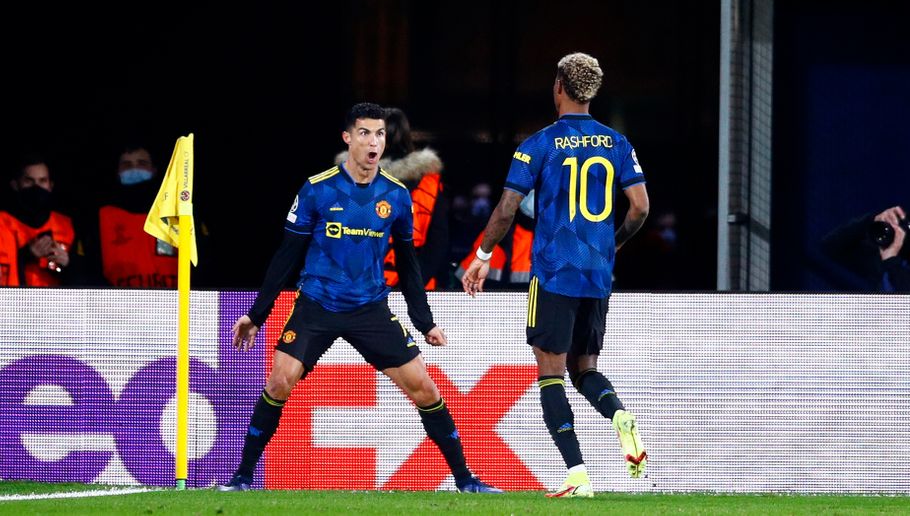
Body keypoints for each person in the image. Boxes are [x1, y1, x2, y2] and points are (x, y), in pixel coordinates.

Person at [219, 103, 501, 493]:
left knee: (425, 388)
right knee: (279, 382)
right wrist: (256, 315)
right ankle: (242, 477)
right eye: (365, 133)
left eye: (380, 134)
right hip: (317, 304)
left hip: (369, 308)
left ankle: (466, 480)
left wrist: (424, 321)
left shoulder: (396, 195)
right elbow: (286, 255)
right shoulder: (318, 189)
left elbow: (410, 265)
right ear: (348, 138)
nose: (373, 142)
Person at [461, 53, 650, 498]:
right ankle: (619, 415)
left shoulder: (539, 144)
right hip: (597, 274)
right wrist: (613, 244)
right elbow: (640, 208)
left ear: (559, 86)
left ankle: (577, 474)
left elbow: (507, 208)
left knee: (551, 374)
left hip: (553, 272)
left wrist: (483, 255)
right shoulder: (618, 143)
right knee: (585, 370)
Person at [337, 108, 449, 290]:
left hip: (359, 289)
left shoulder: (347, 180)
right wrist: (413, 285)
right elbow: (438, 244)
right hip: (417, 288)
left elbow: (336, 238)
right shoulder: (431, 184)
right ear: (406, 136)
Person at [76, 144, 180, 287]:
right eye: (127, 165)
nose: (134, 169)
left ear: (154, 170)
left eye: (142, 163)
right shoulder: (102, 217)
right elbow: (88, 269)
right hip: (118, 300)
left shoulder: (177, 212)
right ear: (117, 172)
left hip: (174, 300)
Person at [821, 200, 910, 292]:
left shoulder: (892, 262)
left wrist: (892, 263)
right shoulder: (888, 261)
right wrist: (872, 221)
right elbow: (830, 247)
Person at [0, 156, 74, 286]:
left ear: (50, 185)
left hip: (55, 298)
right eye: (29, 181)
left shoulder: (66, 224)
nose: (36, 187)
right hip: (11, 298)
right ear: (15, 185)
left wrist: (68, 265)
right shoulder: (2, 223)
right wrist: (25, 255)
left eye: (42, 181)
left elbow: (86, 276)